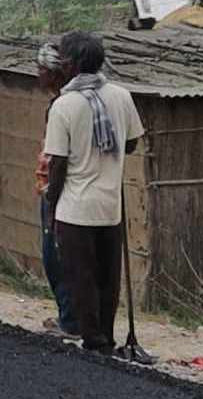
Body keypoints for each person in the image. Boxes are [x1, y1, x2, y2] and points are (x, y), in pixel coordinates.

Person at [43, 31, 144, 354]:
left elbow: (57, 164)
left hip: (75, 208)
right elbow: (131, 142)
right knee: (108, 278)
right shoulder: (121, 96)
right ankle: (107, 336)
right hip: (110, 206)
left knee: (80, 276)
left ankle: (93, 341)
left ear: (70, 64)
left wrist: (51, 204)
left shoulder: (64, 105)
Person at [36, 43, 80, 339]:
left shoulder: (61, 106)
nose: (37, 76)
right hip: (64, 189)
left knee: (56, 257)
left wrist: (52, 193)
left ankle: (70, 322)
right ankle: (72, 318)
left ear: (52, 74)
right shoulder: (70, 102)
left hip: (59, 190)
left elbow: (59, 157)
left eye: (40, 70)